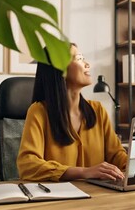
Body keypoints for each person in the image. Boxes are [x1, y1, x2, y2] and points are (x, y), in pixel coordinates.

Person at [17, 44, 127, 181]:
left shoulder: (98, 110)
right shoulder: (38, 112)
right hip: (58, 198)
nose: (87, 64)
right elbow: (27, 165)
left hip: (98, 197)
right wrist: (83, 172)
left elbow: (117, 156)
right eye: (79, 58)